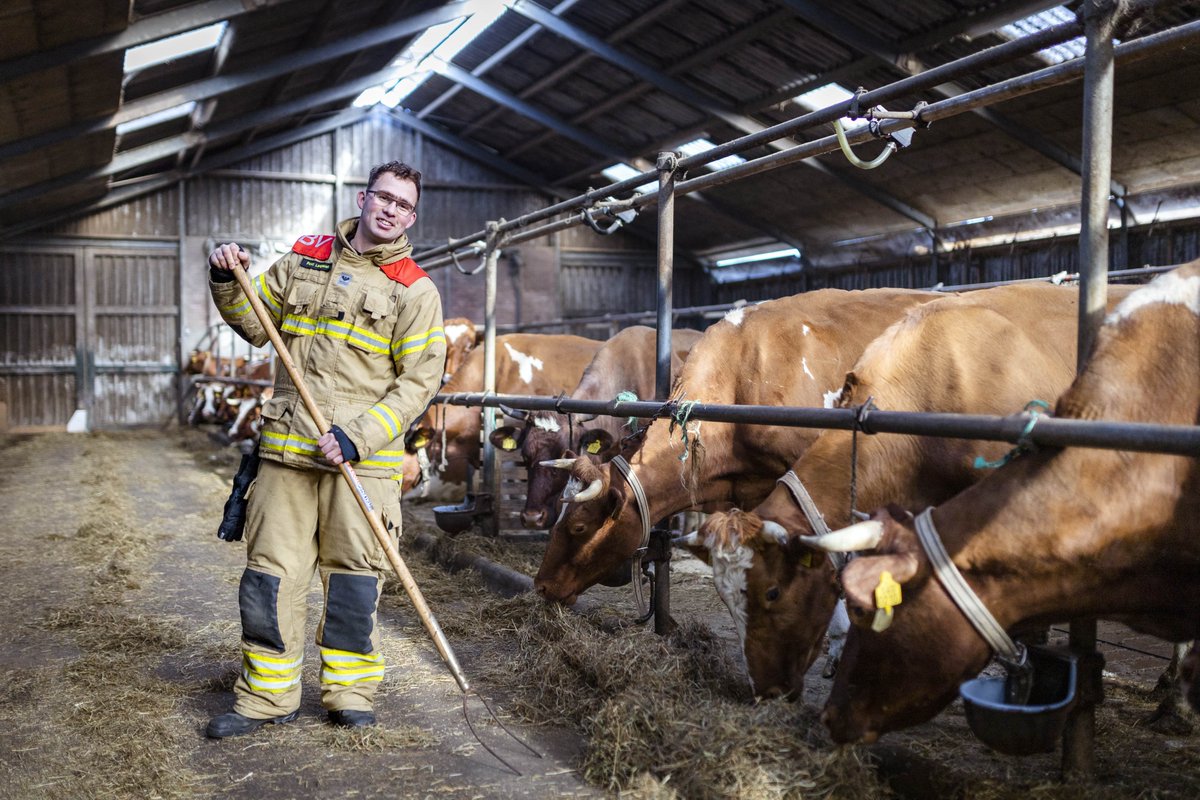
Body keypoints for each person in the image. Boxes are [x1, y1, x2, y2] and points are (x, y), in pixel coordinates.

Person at [204, 161, 447, 738]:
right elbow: (255, 323)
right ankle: (266, 697)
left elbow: (419, 384)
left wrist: (356, 437)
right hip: (286, 456)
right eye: (383, 198)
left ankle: (348, 692)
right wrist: (225, 279)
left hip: (362, 467)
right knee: (270, 579)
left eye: (403, 205)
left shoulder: (416, 289)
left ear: (413, 216)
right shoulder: (303, 260)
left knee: (355, 580)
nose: (390, 210)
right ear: (363, 198)